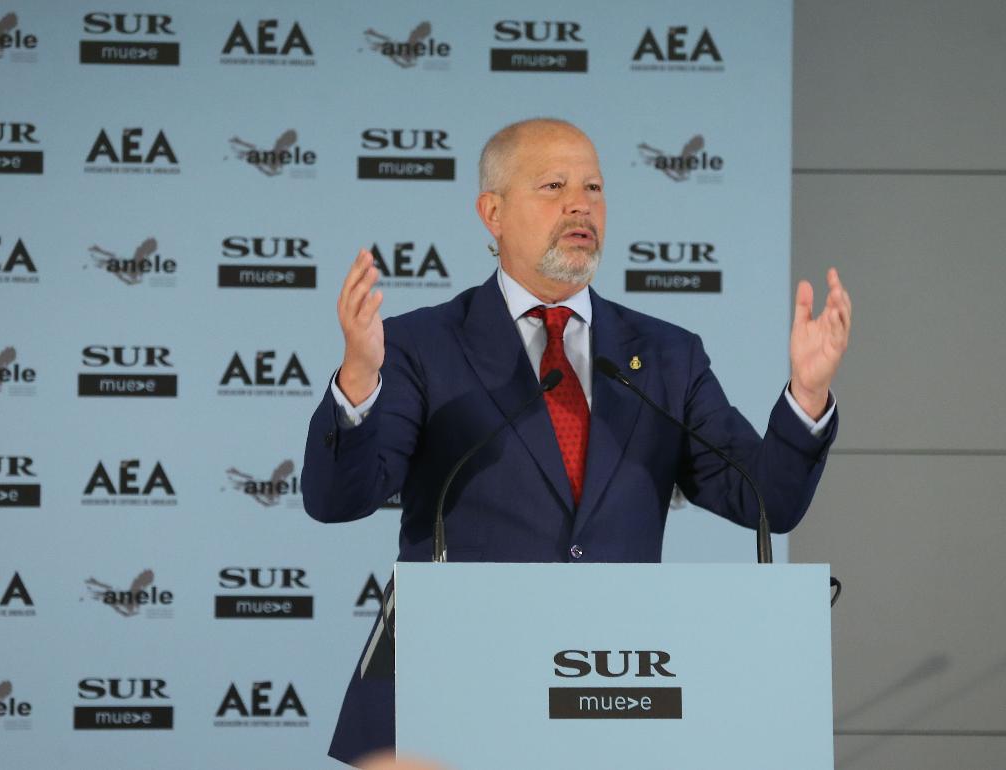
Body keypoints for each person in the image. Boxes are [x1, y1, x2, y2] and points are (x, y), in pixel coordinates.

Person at [302, 118, 852, 767]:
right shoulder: (424, 345)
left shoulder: (666, 356)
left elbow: (767, 501)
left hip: (609, 700)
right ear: (492, 212)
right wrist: (360, 377)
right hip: (454, 698)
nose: (580, 204)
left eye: (593, 186)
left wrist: (807, 398)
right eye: (554, 185)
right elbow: (339, 497)